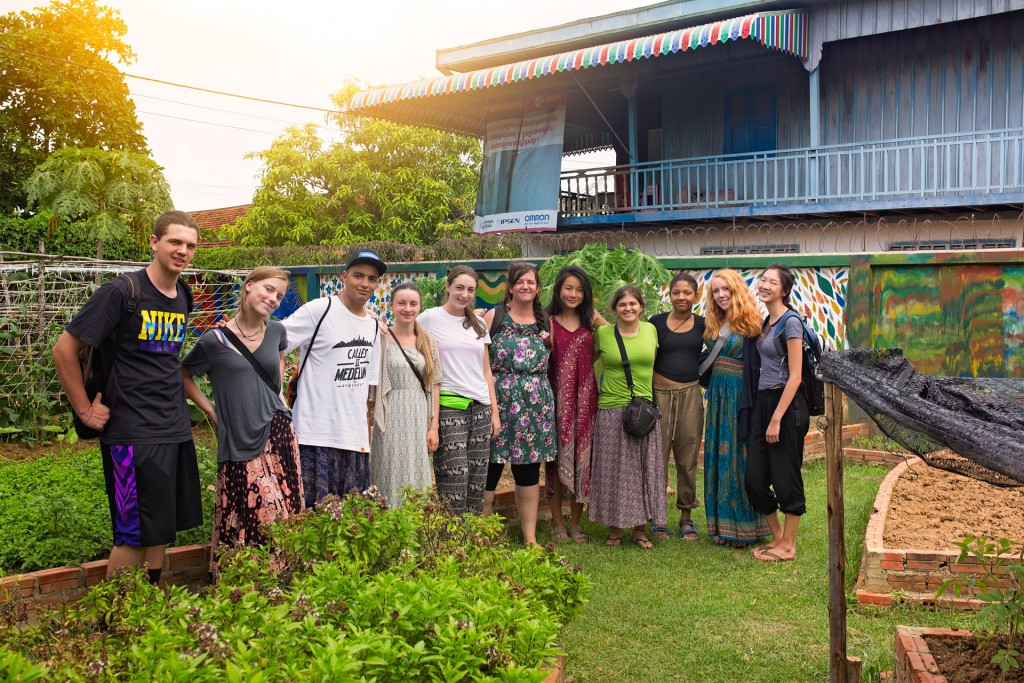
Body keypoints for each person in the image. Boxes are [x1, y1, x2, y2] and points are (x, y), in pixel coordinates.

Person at [51, 210, 203, 582]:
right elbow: (64, 350)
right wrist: (85, 411)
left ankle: (147, 603)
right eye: (175, 242)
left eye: (190, 245)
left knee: (161, 526)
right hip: (130, 431)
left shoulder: (183, 293)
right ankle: (115, 614)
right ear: (154, 242)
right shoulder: (122, 292)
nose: (182, 251)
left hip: (173, 425)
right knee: (132, 531)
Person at [181, 267, 302, 576]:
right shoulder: (213, 340)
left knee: (284, 511)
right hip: (239, 435)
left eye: (279, 295)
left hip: (278, 430)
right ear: (249, 286)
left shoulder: (277, 332)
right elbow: (183, 375)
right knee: (251, 509)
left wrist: (279, 404)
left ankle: (285, 583)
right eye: (268, 289)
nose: (273, 299)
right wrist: (212, 411)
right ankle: (247, 584)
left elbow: (275, 372)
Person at [283, 250, 384, 508]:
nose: (365, 283)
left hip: (354, 439)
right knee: (309, 520)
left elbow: (369, 386)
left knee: (350, 523)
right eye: (358, 275)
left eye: (372, 279)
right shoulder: (321, 309)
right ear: (344, 276)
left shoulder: (373, 326)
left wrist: (367, 430)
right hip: (314, 436)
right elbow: (275, 343)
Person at [481, 262, 556, 546]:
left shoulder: (546, 321)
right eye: (520, 281)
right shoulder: (494, 316)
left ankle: (530, 537)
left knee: (527, 473)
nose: (526, 286)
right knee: (489, 470)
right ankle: (481, 536)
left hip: (536, 407)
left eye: (531, 282)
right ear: (510, 287)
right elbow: (480, 361)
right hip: (498, 403)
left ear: (537, 288)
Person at [417, 266, 499, 515]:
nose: (464, 294)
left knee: (476, 476)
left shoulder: (478, 325)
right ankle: (451, 539)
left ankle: (471, 540)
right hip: (450, 404)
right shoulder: (430, 318)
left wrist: (494, 413)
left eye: (470, 290)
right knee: (455, 474)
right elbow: (402, 331)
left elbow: (486, 371)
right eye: (459, 288)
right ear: (448, 287)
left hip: (481, 407)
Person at [589, 285, 666, 549]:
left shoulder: (650, 331)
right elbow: (588, 362)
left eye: (633, 303)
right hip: (611, 409)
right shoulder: (603, 334)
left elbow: (652, 364)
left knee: (644, 469)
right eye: (622, 304)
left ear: (641, 307)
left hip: (644, 411)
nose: (628, 308)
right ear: (614, 309)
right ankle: (615, 530)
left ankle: (640, 529)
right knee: (615, 471)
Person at [702, 269, 771, 549]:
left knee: (738, 458)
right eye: (716, 291)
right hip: (716, 394)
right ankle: (720, 526)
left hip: (740, 397)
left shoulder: (753, 324)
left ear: (737, 290)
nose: (721, 295)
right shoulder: (713, 322)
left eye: (725, 289)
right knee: (716, 456)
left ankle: (744, 527)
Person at [747, 264, 810, 562]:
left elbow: (795, 376)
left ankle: (789, 545)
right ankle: (777, 537)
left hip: (786, 405)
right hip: (763, 403)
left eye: (772, 282)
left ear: (784, 290)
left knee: (786, 477)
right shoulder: (766, 323)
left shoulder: (791, 323)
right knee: (755, 478)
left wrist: (776, 419)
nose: (765, 285)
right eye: (762, 280)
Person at [545, 265, 605, 543]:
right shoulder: (548, 321)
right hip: (556, 401)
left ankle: (577, 523)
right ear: (558, 289)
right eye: (568, 287)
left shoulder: (590, 319)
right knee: (557, 463)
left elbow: (615, 335)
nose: (574, 293)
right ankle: (558, 523)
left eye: (580, 289)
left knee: (583, 460)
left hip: (587, 399)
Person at [370, 282, 442, 507]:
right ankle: (388, 526)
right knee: (388, 467)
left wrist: (434, 426)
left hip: (419, 412)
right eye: (401, 303)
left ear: (420, 306)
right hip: (390, 412)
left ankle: (416, 529)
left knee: (417, 468)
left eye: (413, 304)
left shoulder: (428, 340)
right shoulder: (382, 338)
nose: (407, 308)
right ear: (391, 304)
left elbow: (435, 384)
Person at [648, 272, 705, 541]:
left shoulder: (705, 324)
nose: (681, 297)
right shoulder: (655, 323)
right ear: (669, 295)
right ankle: (657, 517)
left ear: (696, 296)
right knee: (656, 457)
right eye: (676, 292)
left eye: (687, 293)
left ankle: (686, 516)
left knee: (687, 457)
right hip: (658, 395)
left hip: (691, 395)